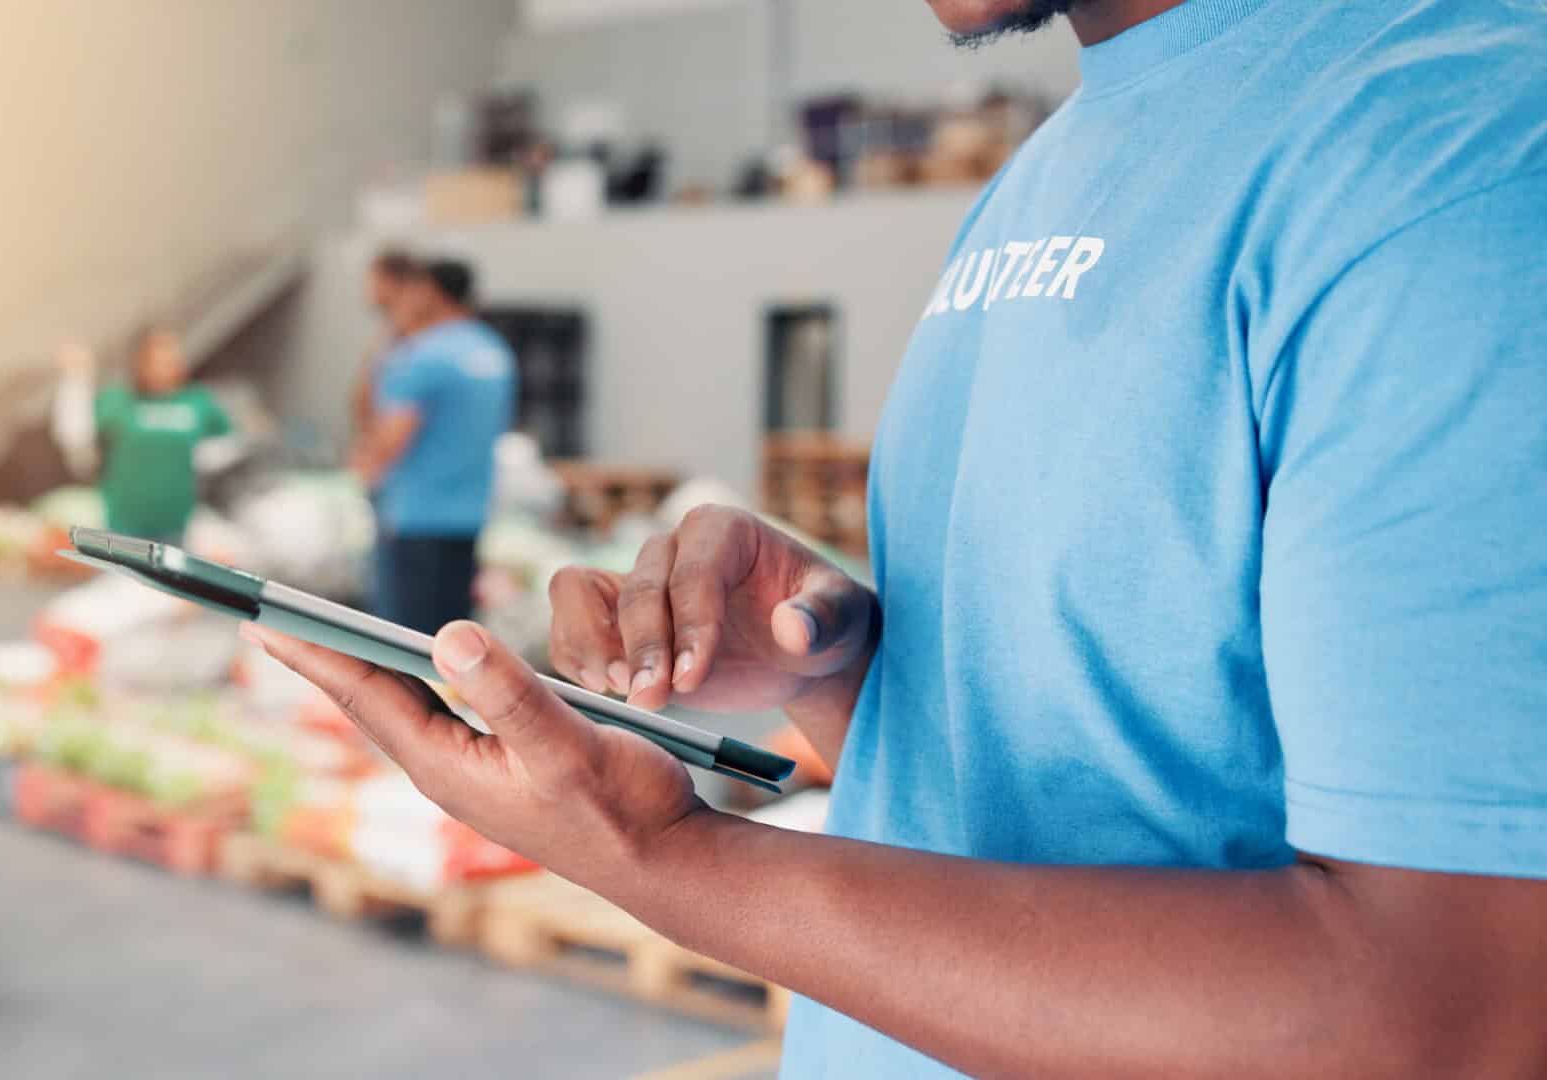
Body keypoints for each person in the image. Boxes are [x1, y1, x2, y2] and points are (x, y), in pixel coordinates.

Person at [244, 1, 1547, 1076]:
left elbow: (1443, 1018)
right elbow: (1111, 782)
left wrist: (669, 859)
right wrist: (831, 679)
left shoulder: (1462, 163)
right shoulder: (1059, 161)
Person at [351, 259, 516, 634]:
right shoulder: (493, 352)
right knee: (455, 639)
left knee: (405, 647)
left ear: (427, 292)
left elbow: (388, 442)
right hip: (470, 514)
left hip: (415, 518)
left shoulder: (423, 355)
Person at [50, 326, 231, 540]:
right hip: (123, 524)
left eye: (170, 357)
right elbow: (76, 436)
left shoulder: (198, 401)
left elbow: (227, 449)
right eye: (155, 359)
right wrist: (76, 379)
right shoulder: (118, 400)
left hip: (180, 524)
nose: (163, 366)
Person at [350, 249, 419, 439]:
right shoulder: (391, 330)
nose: (367, 289)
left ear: (389, 281)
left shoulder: (412, 332)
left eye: (371, 281)